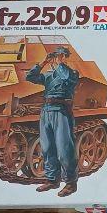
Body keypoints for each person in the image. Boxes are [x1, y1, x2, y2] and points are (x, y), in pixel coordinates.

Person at [25, 45, 80, 198]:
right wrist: (43, 63)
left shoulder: (71, 73)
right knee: (47, 148)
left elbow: (67, 78)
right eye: (57, 55)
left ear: (66, 57)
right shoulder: (48, 75)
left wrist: (60, 64)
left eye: (62, 55)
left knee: (64, 149)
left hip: (61, 112)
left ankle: (71, 182)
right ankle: (52, 179)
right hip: (46, 111)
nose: (58, 58)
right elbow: (30, 77)